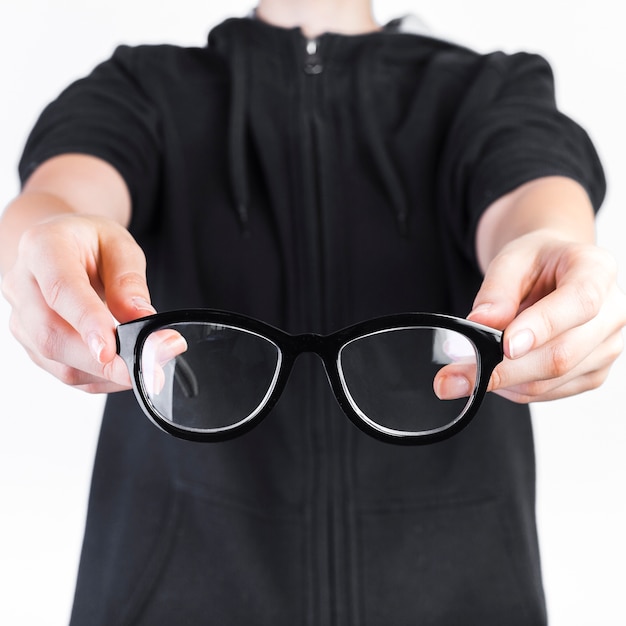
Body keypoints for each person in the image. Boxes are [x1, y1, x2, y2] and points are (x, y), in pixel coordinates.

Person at [1, 0, 625, 623]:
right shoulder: (142, 88)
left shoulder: (486, 93)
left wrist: (555, 248)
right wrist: (42, 242)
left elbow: (532, 189)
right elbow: (61, 195)